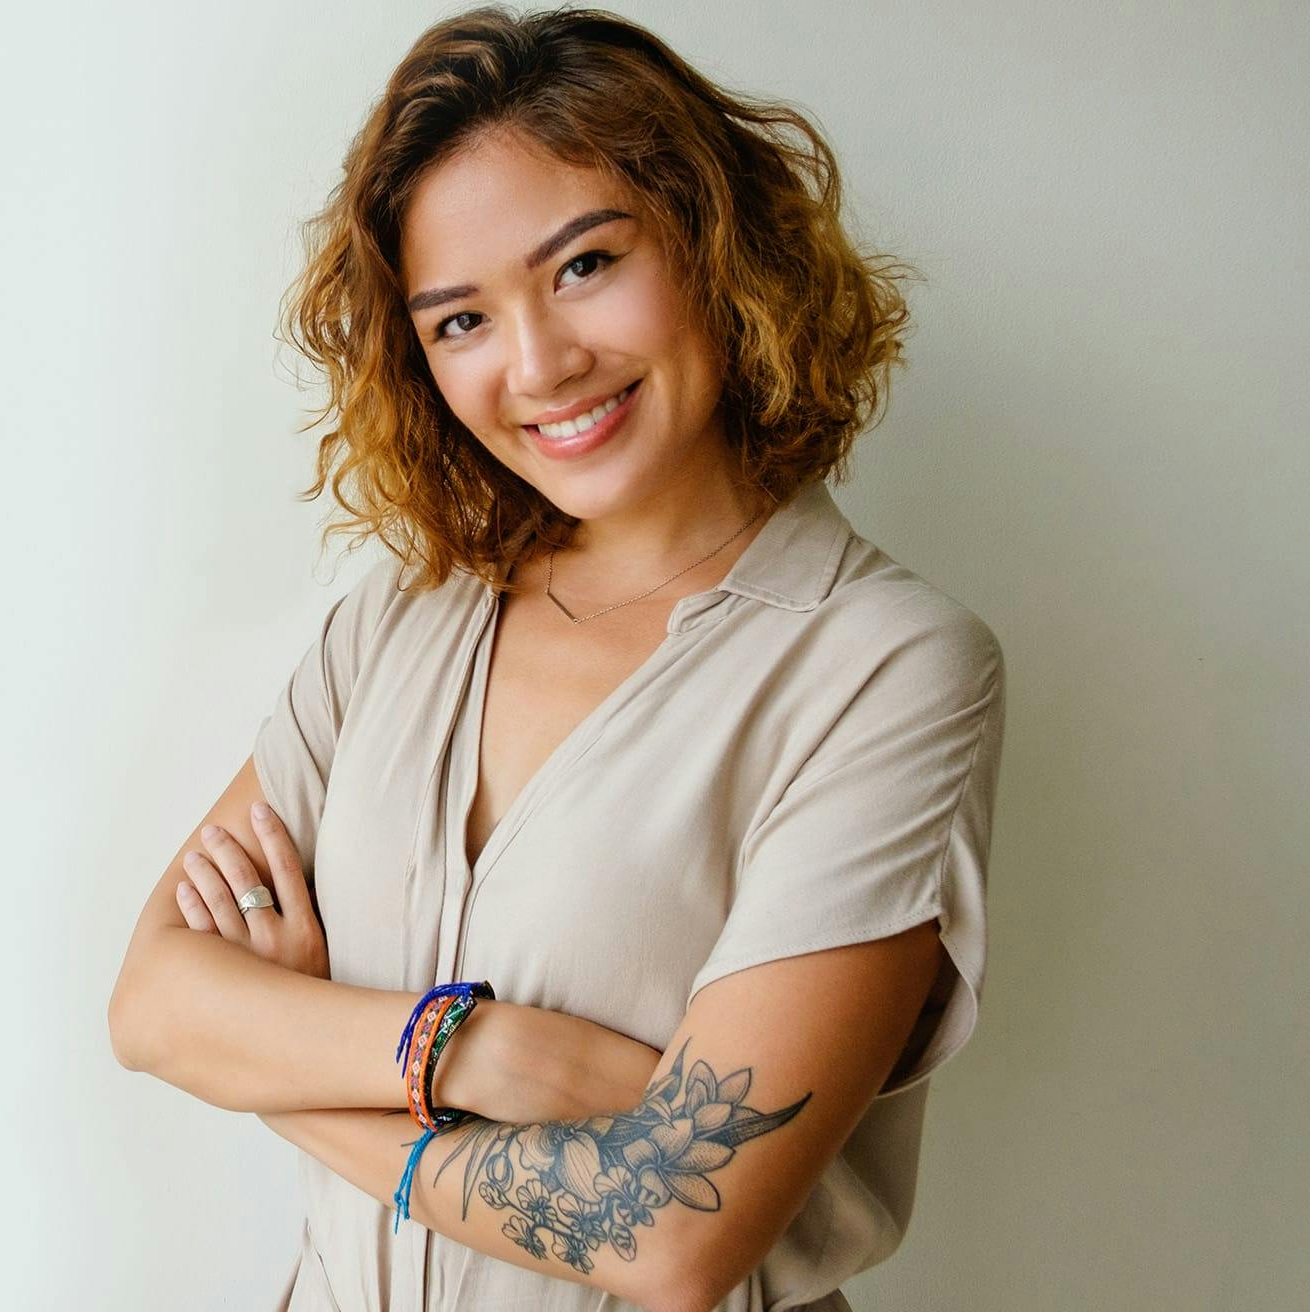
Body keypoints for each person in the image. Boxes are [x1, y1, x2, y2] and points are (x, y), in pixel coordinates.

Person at [107, 7, 1008, 1311]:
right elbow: (152, 1006)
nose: (538, 362)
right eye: (459, 321)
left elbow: (670, 1235)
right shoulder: (398, 618)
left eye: (584, 265)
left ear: (714, 244)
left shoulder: (888, 671)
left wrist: (287, 1070)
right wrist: (477, 1051)